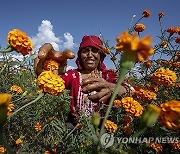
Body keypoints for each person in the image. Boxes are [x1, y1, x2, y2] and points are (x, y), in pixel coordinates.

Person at [34, 35, 128, 124]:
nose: (90, 55)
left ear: (100, 56)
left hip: (101, 128)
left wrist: (112, 87)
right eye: (85, 51)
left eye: (94, 51)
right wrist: (45, 70)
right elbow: (55, 82)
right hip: (75, 126)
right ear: (80, 55)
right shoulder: (73, 75)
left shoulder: (107, 76)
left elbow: (129, 88)